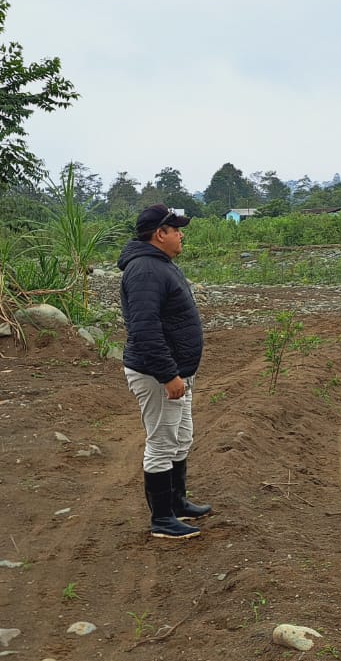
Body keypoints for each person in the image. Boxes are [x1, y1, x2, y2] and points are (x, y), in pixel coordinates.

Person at [117, 204, 213, 539]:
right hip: (158, 374)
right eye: (176, 230)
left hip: (175, 372)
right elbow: (145, 329)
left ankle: (176, 503)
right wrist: (168, 375)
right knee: (161, 442)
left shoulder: (158, 264)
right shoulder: (145, 270)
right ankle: (161, 519)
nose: (181, 235)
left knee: (181, 437)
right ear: (160, 234)